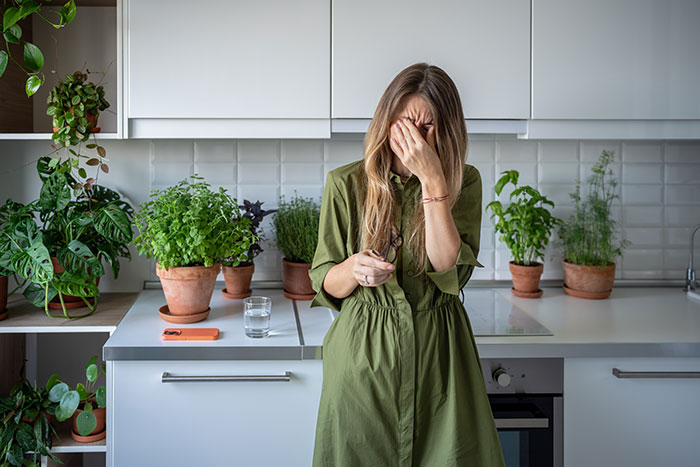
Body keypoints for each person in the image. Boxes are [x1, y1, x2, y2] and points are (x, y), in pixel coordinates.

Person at [308, 62, 506, 467]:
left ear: (447, 129)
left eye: (427, 127)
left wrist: (434, 182)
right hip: (364, 361)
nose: (415, 138)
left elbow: (450, 272)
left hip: (441, 360)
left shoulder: (463, 182)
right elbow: (325, 282)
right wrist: (354, 269)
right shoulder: (346, 184)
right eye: (405, 124)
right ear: (386, 120)